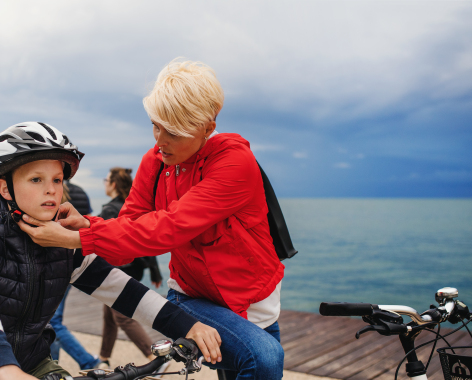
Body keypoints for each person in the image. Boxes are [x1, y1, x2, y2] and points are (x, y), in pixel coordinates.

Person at [19, 60, 285, 380]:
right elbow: (131, 232)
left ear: (207, 128)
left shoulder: (234, 163)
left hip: (256, 303)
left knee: (259, 364)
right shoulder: (155, 162)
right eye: (155, 125)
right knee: (266, 359)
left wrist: (78, 240)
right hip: (193, 296)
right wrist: (88, 225)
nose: (160, 140)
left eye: (172, 131)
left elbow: (170, 226)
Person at [0, 121, 222, 380]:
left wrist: (189, 326)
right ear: (5, 189)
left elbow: (124, 292)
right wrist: (4, 368)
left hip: (34, 364)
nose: (51, 190)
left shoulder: (63, 238)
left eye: (57, 180)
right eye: (36, 179)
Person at [97, 167, 164, 371]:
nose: (104, 183)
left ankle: (154, 358)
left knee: (123, 317)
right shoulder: (132, 207)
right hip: (135, 267)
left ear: (114, 184)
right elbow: (145, 239)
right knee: (109, 313)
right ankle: (103, 356)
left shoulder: (109, 210)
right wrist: (155, 271)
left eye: (106, 180)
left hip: (118, 269)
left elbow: (102, 241)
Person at [49, 182, 99, 370]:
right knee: (52, 320)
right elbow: (87, 220)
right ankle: (54, 365)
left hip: (59, 262)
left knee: (51, 321)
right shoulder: (81, 191)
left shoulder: (49, 197)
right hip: (77, 256)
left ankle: (83, 362)